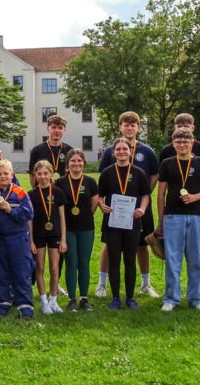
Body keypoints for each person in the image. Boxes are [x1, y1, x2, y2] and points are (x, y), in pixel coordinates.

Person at [96, 111, 160, 299]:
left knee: (142, 244)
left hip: (139, 209)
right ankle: (102, 283)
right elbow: (104, 178)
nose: (130, 127)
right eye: (126, 124)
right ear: (120, 127)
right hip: (115, 210)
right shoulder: (110, 151)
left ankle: (146, 284)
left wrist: (143, 196)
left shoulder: (147, 151)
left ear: (138, 128)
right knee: (109, 244)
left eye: (133, 124)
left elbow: (154, 175)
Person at [156, 128, 200, 312]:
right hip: (173, 216)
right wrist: (161, 220)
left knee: (196, 258)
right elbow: (160, 194)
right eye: (178, 142)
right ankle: (171, 299)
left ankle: (196, 299)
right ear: (173, 144)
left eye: (185, 142)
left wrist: (195, 197)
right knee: (173, 259)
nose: (182, 145)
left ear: (192, 143)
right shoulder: (167, 163)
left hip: (196, 215)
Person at [98, 138, 151, 310]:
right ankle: (115, 298)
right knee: (114, 259)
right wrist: (101, 205)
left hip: (132, 222)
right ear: (113, 153)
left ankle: (129, 297)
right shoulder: (107, 172)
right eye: (118, 149)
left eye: (125, 149)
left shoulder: (138, 172)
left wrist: (142, 209)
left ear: (130, 152)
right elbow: (99, 195)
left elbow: (145, 195)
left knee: (129, 260)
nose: (121, 152)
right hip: (112, 222)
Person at [54, 149, 99, 311]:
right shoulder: (60, 183)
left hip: (86, 228)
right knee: (71, 263)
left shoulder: (90, 182)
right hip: (68, 229)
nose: (76, 163)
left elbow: (93, 205)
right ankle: (72, 298)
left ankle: (84, 298)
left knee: (84, 263)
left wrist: (85, 217)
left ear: (84, 163)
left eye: (79, 161)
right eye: (72, 161)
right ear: (67, 164)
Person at [0, 159, 36, 320]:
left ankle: (25, 308)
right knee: (1, 273)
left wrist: (11, 210)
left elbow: (29, 214)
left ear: (12, 175)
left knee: (21, 273)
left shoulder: (21, 193)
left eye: (6, 173)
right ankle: (2, 305)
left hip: (18, 238)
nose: (3, 176)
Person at [28, 160, 68, 314]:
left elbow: (63, 218)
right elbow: (29, 220)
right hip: (38, 235)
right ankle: (44, 301)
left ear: (51, 173)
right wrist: (31, 240)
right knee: (40, 267)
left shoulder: (57, 192)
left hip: (55, 234)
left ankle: (53, 301)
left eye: (45, 173)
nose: (43, 177)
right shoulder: (31, 194)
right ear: (35, 176)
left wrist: (63, 239)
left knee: (54, 268)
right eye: (39, 174)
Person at [28, 114, 73, 186]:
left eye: (60, 128)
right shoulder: (37, 150)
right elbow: (32, 174)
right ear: (48, 129)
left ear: (64, 130)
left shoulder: (70, 151)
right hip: (43, 192)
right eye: (54, 127)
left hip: (64, 192)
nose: (57, 131)